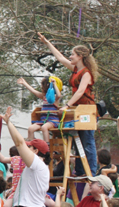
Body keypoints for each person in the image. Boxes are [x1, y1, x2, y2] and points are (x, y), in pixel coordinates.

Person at [38, 33, 99, 175]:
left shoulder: (86, 73)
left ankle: (91, 171)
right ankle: (80, 170)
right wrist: (47, 43)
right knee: (78, 142)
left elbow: (80, 91)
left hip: (87, 109)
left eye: (72, 54)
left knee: (87, 141)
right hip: (78, 109)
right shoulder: (76, 70)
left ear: (80, 56)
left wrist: (67, 104)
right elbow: (60, 58)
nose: (70, 57)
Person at [17, 76, 62, 142]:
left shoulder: (54, 98)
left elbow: (59, 95)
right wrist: (24, 83)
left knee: (44, 128)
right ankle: (31, 144)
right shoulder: (44, 96)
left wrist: (54, 84)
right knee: (31, 128)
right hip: (43, 121)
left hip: (52, 121)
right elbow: (33, 91)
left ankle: (46, 144)